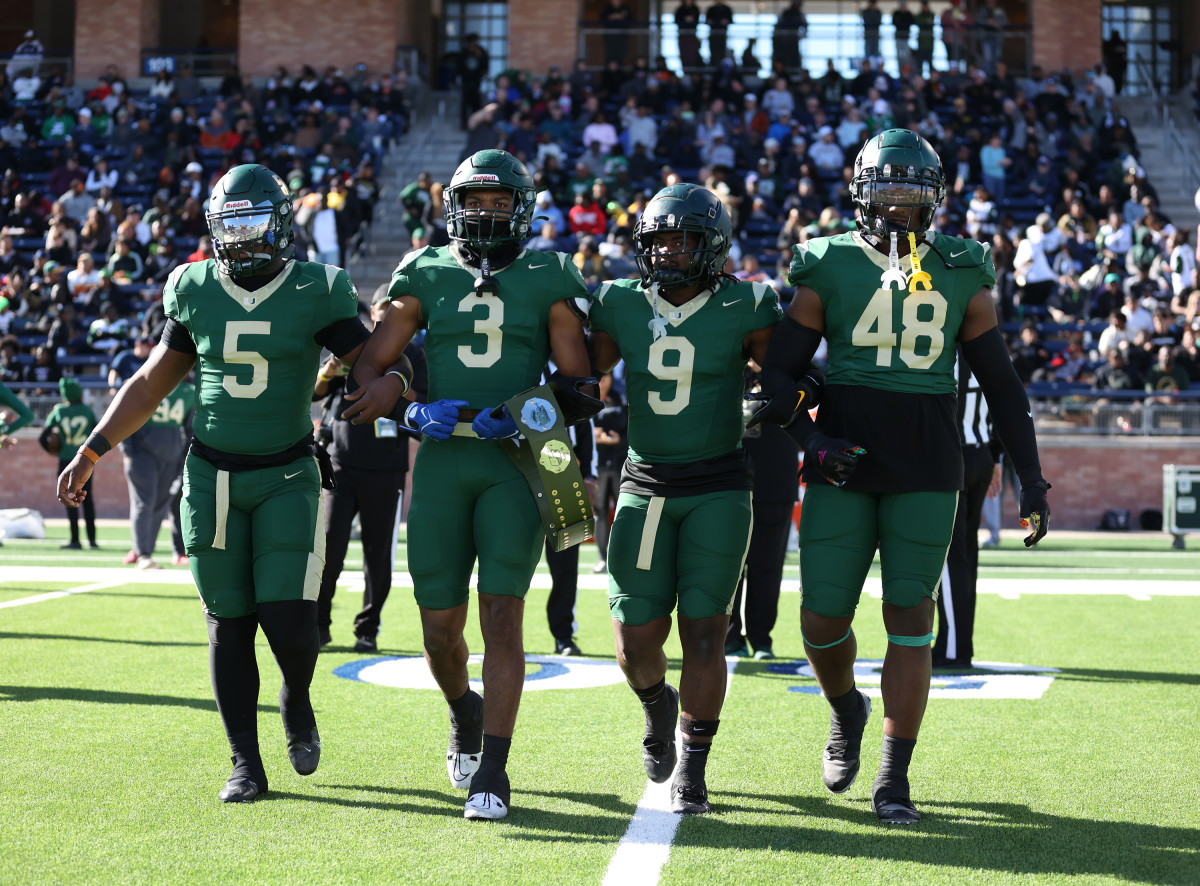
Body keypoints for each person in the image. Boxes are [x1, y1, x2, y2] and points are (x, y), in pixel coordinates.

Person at [56, 164, 395, 804]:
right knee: (228, 623)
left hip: (289, 473)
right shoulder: (193, 285)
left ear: (280, 222)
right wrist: (94, 445)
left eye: (250, 223)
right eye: (228, 225)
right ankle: (245, 762)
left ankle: (296, 694)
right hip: (211, 475)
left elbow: (374, 358)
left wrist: (392, 382)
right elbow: (153, 380)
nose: (239, 240)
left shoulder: (319, 288)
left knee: (292, 624)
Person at [750, 130, 1052, 824]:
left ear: (933, 203)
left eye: (910, 201)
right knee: (821, 617)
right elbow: (778, 376)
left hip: (926, 459)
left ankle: (894, 776)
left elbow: (1003, 388)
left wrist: (1032, 479)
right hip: (844, 455)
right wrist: (809, 438)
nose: (896, 215)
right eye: (884, 199)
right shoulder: (826, 263)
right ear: (860, 197)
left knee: (910, 615)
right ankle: (845, 709)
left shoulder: (962, 268)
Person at [343, 149, 598, 821]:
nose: (485, 214)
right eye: (474, 201)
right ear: (452, 205)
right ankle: (464, 711)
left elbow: (581, 389)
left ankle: (494, 769)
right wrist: (408, 404)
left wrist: (519, 411)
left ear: (521, 207)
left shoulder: (548, 271)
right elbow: (367, 370)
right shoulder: (424, 269)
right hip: (441, 463)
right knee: (437, 630)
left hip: (516, 461)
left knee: (502, 616)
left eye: (497, 202)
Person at [588, 184, 808, 815]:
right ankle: (658, 706)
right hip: (645, 480)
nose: (668, 252)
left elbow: (783, 376)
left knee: (707, 632)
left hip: (718, 482)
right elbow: (583, 374)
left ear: (711, 244)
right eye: (657, 240)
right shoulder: (621, 301)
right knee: (634, 639)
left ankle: (694, 766)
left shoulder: (749, 302)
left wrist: (787, 398)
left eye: (682, 239)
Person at [314, 285, 429, 652]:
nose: (383, 318)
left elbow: (423, 401)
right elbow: (315, 393)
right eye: (380, 311)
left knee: (377, 555)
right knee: (328, 548)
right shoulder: (352, 348)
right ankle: (319, 624)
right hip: (340, 465)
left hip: (386, 467)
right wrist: (331, 369)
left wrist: (393, 382)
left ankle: (368, 628)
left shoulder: (413, 354)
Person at [725, 366, 800, 661]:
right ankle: (730, 636)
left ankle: (761, 638)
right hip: (730, 481)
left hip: (776, 482)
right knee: (730, 567)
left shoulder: (789, 373)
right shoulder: (728, 367)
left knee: (767, 567)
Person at [933, 352, 1000, 668]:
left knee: (950, 557)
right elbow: (1004, 405)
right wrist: (996, 457)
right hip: (981, 454)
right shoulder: (989, 352)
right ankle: (955, 643)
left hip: (951, 457)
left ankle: (954, 649)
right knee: (966, 555)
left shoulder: (944, 351)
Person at [119, 377, 195, 570]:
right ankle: (142, 553)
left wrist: (184, 455)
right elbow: (125, 416)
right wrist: (127, 451)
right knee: (144, 503)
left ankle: (144, 550)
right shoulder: (143, 385)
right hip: (143, 455)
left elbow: (190, 428)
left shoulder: (188, 391)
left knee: (161, 505)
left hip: (171, 458)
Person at [41, 378, 100, 549]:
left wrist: (52, 450)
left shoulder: (59, 411)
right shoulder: (87, 410)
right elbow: (97, 432)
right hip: (85, 460)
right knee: (88, 500)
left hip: (66, 461)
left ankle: (75, 540)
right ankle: (92, 540)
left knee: (69, 498)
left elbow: (42, 437)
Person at [591, 373, 627, 575]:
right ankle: (602, 558)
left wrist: (616, 440)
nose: (602, 380)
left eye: (606, 376)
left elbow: (630, 429)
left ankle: (623, 558)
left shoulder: (620, 399)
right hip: (598, 466)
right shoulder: (587, 397)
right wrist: (596, 436)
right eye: (599, 376)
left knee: (623, 511)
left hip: (620, 464)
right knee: (600, 512)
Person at [458, 34, 489, 130]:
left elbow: (485, 64)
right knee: (465, 102)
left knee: (476, 102)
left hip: (476, 81)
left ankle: (477, 121)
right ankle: (464, 122)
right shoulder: (464, 52)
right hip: (466, 81)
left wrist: (479, 56)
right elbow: (458, 66)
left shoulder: (480, 51)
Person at [705, 1, 735, 69]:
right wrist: (709, 21)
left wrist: (726, 21)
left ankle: (721, 68)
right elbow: (706, 21)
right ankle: (714, 66)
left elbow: (731, 20)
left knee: (722, 51)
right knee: (713, 51)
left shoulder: (726, 9)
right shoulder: (711, 9)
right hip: (713, 33)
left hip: (722, 34)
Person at [676, 0, 703, 70]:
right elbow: (676, 21)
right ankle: (685, 71)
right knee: (684, 55)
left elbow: (697, 20)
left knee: (692, 55)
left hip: (692, 34)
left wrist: (692, 20)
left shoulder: (695, 9)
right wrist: (684, 20)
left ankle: (693, 72)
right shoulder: (680, 10)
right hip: (683, 34)